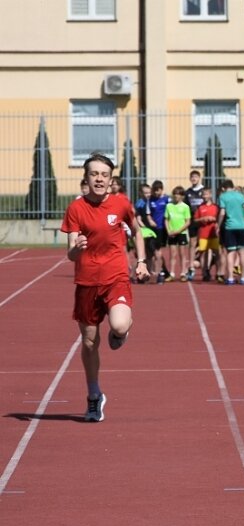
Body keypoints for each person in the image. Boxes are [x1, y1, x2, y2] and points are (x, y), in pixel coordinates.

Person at [60, 153, 149, 422]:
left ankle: (120, 333)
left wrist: (141, 261)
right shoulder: (76, 209)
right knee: (89, 342)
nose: (99, 179)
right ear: (86, 178)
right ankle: (94, 394)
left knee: (119, 325)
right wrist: (76, 248)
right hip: (86, 282)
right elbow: (70, 255)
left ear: (111, 180)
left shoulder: (121, 203)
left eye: (104, 175)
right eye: (94, 174)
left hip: (115, 276)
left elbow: (137, 230)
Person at [217, 179, 244, 285]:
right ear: (232, 187)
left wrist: (218, 225)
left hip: (230, 227)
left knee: (230, 252)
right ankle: (242, 277)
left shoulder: (223, 197)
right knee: (242, 251)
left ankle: (230, 278)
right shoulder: (240, 196)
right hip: (241, 226)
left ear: (223, 188)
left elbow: (222, 213)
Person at [165, 186, 192, 282]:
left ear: (182, 196)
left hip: (182, 233)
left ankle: (183, 273)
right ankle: (171, 273)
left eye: (178, 194)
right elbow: (166, 219)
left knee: (182, 254)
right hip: (172, 233)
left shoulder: (185, 207)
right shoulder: (169, 206)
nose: (176, 196)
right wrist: (168, 230)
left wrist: (179, 230)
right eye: (175, 194)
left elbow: (188, 222)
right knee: (172, 254)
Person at [193, 186, 220, 281]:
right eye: (203, 195)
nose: (205, 196)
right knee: (203, 253)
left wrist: (214, 219)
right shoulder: (200, 207)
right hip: (203, 233)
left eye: (207, 194)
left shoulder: (216, 207)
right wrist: (202, 219)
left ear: (211, 195)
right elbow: (195, 220)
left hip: (213, 233)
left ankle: (219, 272)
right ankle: (205, 272)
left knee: (216, 253)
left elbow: (220, 218)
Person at [184, 170, 205, 280]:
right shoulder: (188, 192)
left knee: (203, 244)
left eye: (196, 177)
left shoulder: (204, 190)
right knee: (192, 243)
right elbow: (186, 207)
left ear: (199, 178)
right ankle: (191, 267)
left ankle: (205, 267)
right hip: (193, 221)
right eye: (192, 177)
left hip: (202, 221)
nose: (194, 179)